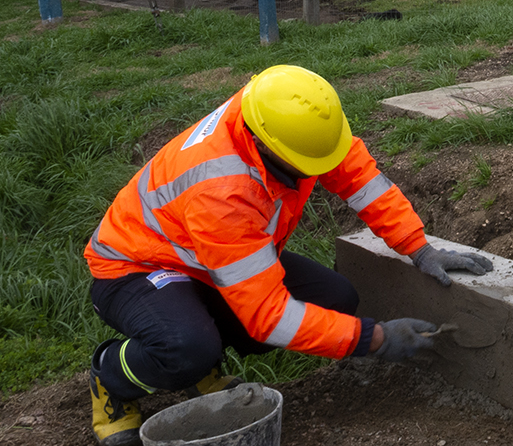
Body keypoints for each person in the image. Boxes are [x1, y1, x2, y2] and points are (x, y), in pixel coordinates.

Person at [82, 64, 492, 445]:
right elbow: (270, 319)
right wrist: (376, 338)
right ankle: (111, 376)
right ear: (265, 145)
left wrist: (418, 247)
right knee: (186, 348)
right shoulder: (222, 190)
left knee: (336, 301)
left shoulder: (288, 114)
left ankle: (201, 353)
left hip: (208, 260)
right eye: (305, 167)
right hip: (138, 267)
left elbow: (362, 180)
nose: (316, 172)